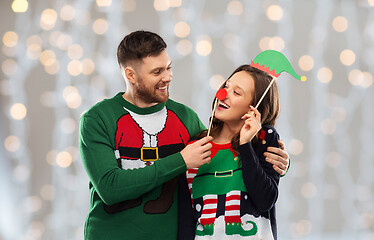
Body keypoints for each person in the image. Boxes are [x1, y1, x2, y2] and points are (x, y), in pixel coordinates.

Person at [79, 30, 289, 240]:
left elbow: (224, 149)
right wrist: (181, 160)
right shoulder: (97, 119)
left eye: (169, 67)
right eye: (157, 72)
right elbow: (109, 188)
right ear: (131, 75)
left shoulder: (185, 119)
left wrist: (276, 162)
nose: (167, 77)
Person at [181, 64, 284, 239]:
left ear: (254, 108)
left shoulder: (264, 139)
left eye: (236, 93)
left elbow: (265, 200)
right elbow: (186, 215)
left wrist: (245, 145)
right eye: (226, 86)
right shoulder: (196, 145)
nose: (223, 94)